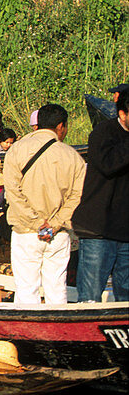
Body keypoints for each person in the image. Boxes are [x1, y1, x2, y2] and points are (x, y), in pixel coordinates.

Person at [3, 103, 86, 305]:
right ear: (61, 126)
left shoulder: (16, 150)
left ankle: (27, 334)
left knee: (26, 289)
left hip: (26, 231)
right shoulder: (73, 157)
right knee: (57, 289)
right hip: (58, 233)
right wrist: (55, 223)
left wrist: (36, 222)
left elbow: (13, 192)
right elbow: (77, 197)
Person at [73, 94, 129, 302]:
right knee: (90, 296)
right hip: (99, 230)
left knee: (126, 297)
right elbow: (109, 165)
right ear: (122, 114)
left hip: (126, 231)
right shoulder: (103, 133)